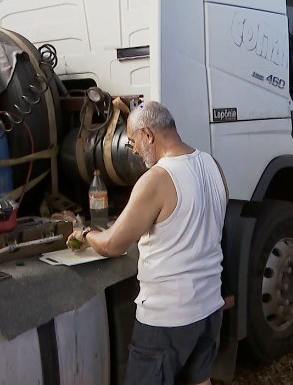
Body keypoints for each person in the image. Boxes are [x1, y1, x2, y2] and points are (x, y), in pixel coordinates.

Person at [67, 101, 228, 385]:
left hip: (167, 320)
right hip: (209, 309)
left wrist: (84, 233)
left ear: (148, 135)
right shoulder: (213, 166)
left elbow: (113, 244)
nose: (135, 150)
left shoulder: (156, 179)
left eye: (133, 141)